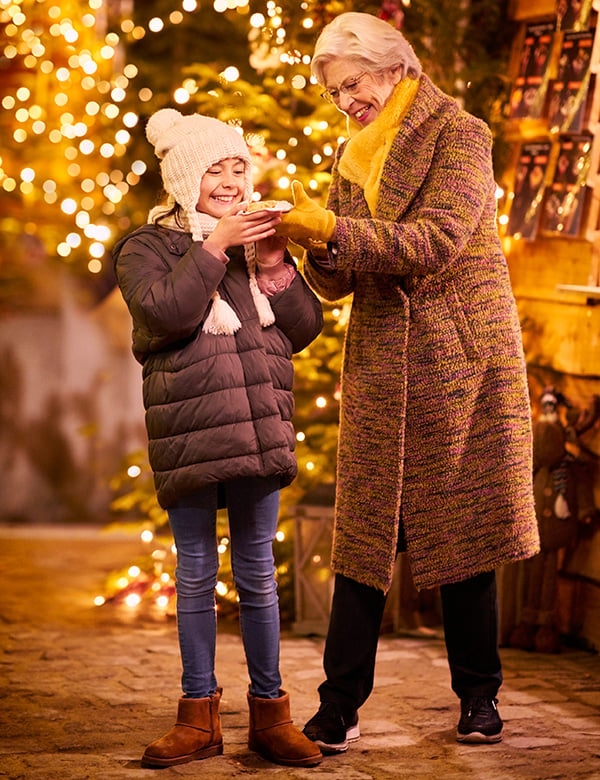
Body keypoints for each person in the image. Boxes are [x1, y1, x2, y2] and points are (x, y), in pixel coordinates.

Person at [275, 11, 541, 751]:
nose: (344, 102)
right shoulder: (354, 155)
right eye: (334, 93)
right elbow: (341, 281)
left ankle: (479, 700)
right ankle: (338, 708)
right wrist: (310, 247)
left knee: (467, 535)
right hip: (384, 365)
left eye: (350, 85)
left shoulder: (461, 134)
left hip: (460, 363)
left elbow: (435, 243)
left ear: (393, 66)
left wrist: (326, 229)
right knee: (364, 541)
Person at [113, 108, 323, 768]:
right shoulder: (147, 248)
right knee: (198, 573)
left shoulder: (253, 249)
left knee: (258, 575)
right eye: (215, 169)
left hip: (258, 432)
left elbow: (302, 327)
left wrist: (274, 265)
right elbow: (165, 314)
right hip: (193, 436)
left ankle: (271, 714)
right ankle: (198, 715)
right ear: (184, 178)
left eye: (239, 167)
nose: (231, 180)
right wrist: (212, 248)